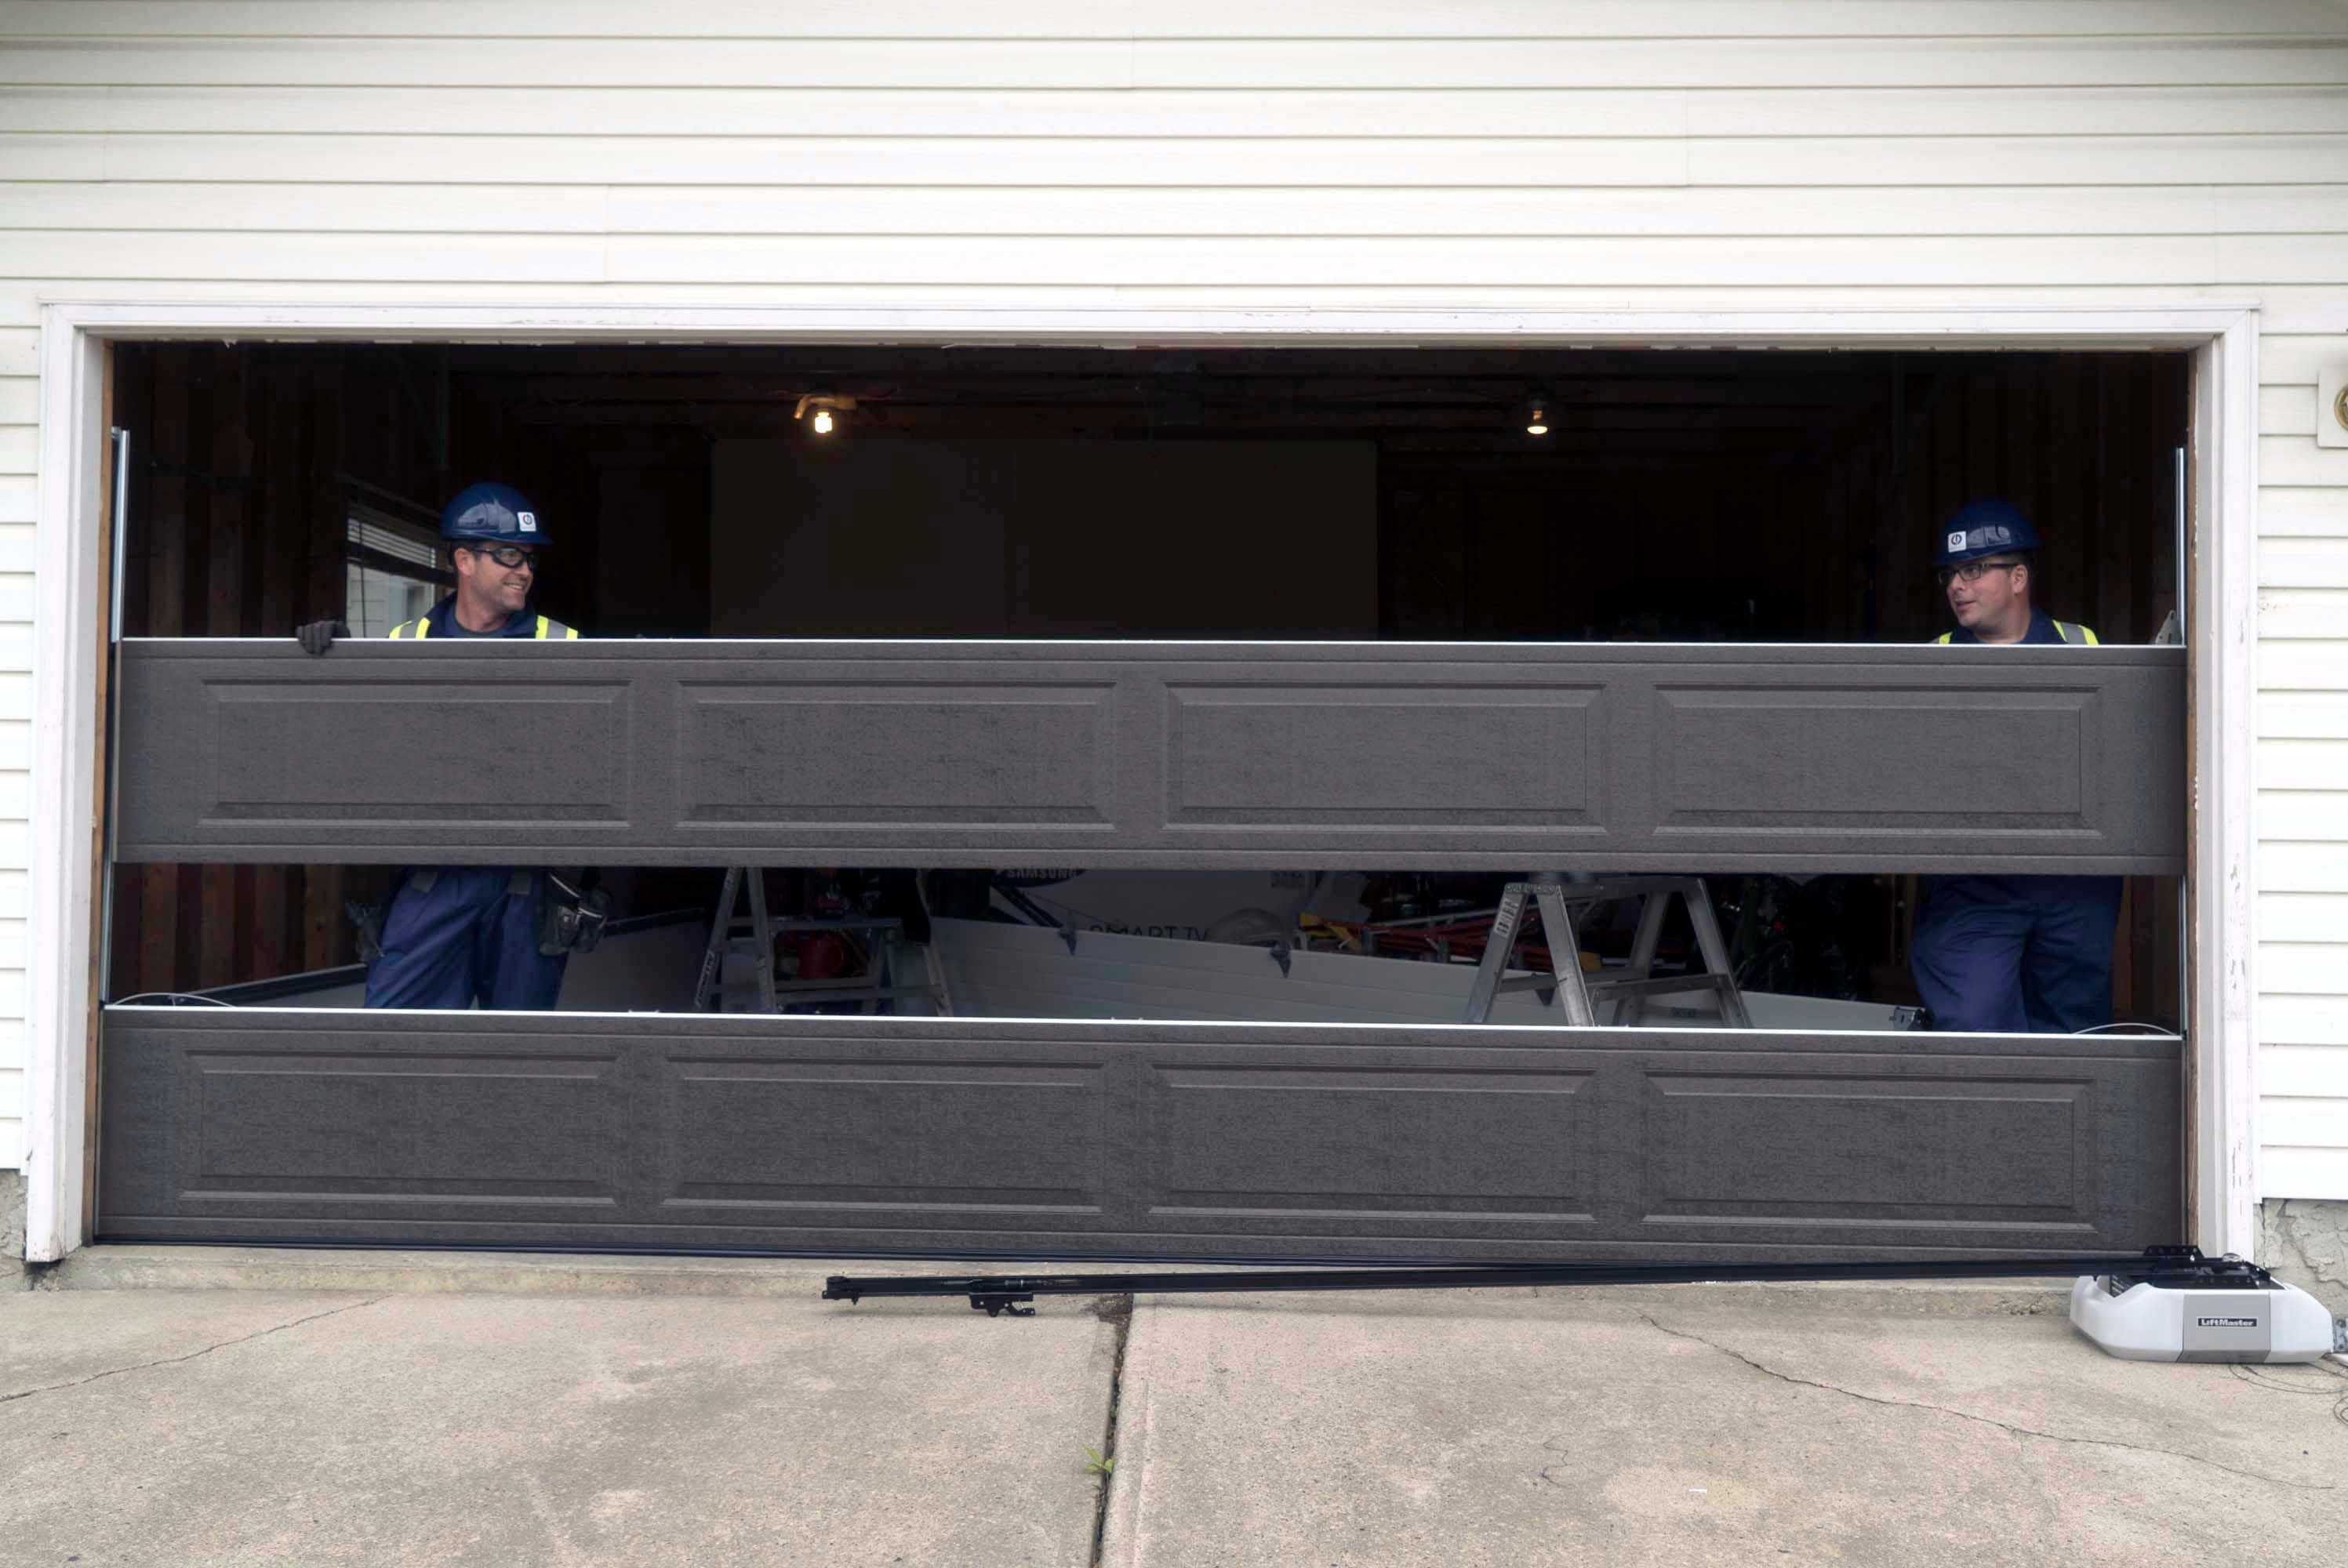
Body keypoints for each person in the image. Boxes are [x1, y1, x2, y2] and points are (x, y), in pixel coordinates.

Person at [295, 481, 597, 1009]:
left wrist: (592, 884)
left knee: (520, 1058)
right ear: (463, 559)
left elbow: (605, 769)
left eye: (528, 558)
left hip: (525, 884)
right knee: (396, 1041)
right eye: (507, 555)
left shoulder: (565, 646)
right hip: (432, 877)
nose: (523, 569)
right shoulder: (402, 645)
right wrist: (333, 664)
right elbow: (356, 750)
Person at [1909, 499, 2122, 1033]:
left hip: (2073, 878)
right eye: (1951, 574)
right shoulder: (1933, 656)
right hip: (1973, 879)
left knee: (2074, 1031)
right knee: (1974, 1022)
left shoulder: (2083, 645)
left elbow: (2119, 752)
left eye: (1975, 570)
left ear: (2019, 576)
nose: (1958, 585)